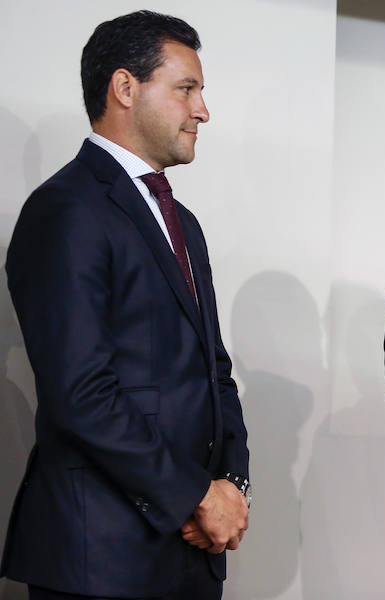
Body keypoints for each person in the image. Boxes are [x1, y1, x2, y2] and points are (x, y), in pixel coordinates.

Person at [1, 11, 250, 600]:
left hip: (191, 553)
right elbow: (80, 393)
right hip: (102, 558)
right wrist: (194, 494)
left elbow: (214, 371)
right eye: (186, 89)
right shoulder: (64, 209)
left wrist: (231, 485)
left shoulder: (182, 223)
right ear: (125, 88)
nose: (202, 111)